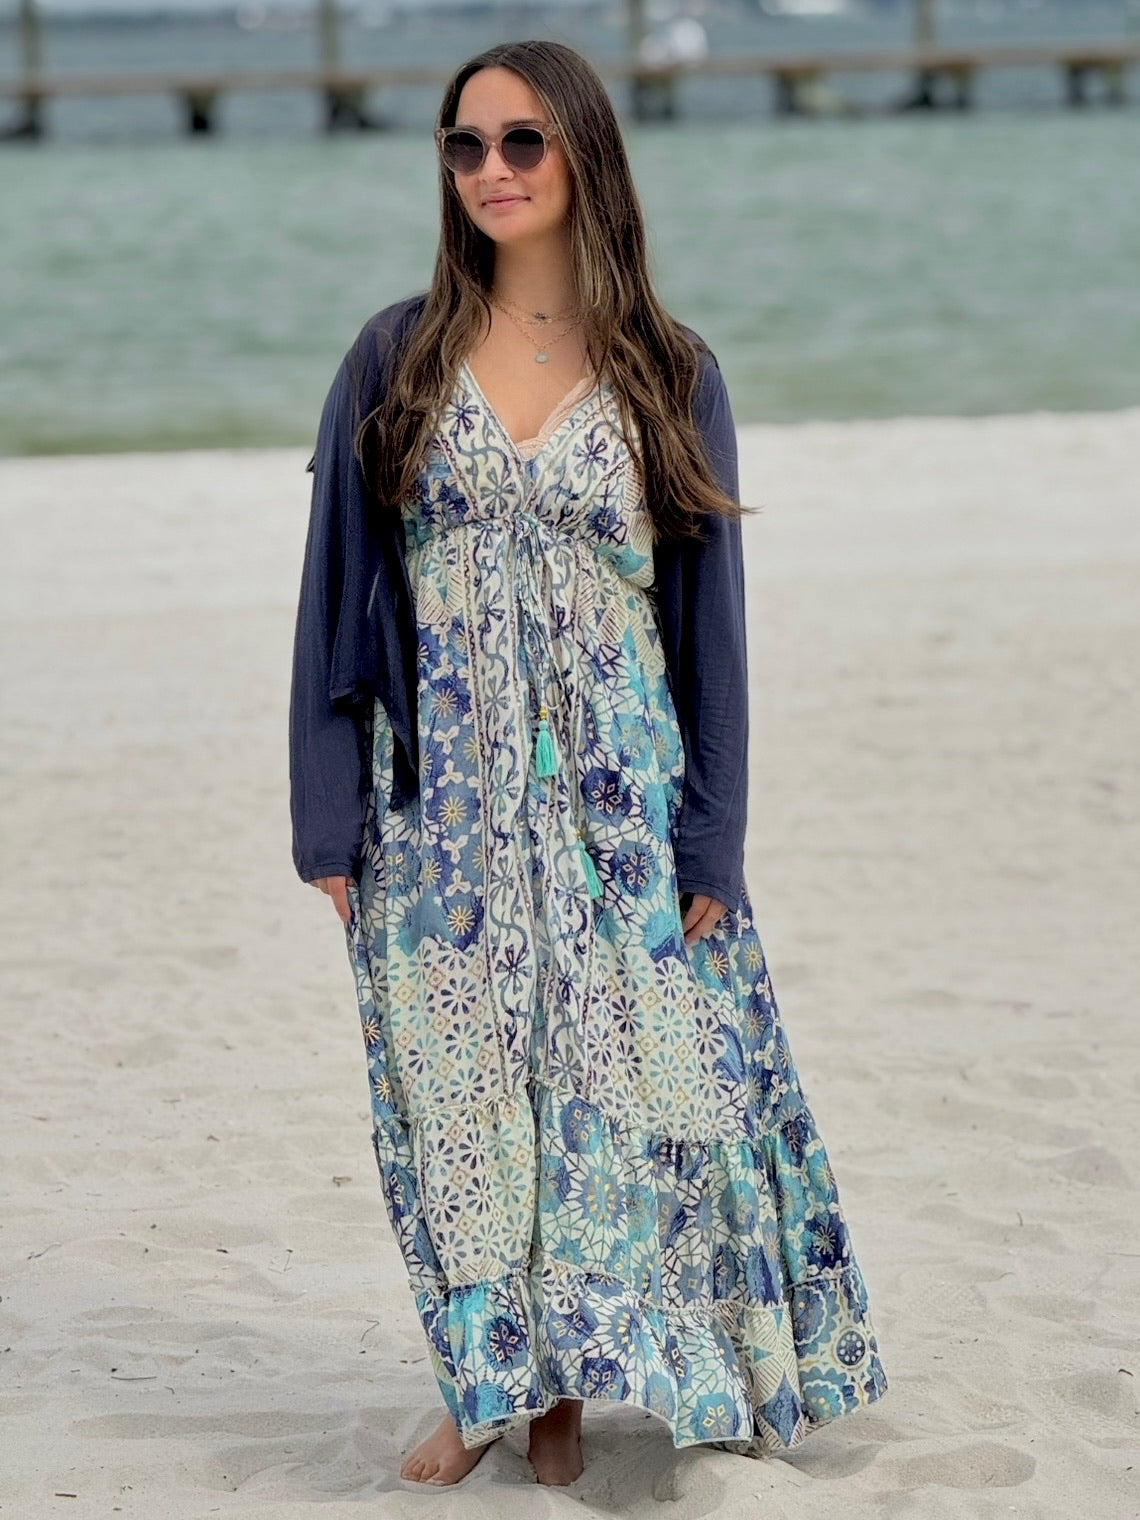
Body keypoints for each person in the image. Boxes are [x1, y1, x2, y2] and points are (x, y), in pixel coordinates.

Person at [289, 37, 887, 1490]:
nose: (489, 170)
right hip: (438, 814)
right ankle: (488, 1388)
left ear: (585, 160)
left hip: (622, 808)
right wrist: (325, 825)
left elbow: (712, 633)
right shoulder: (396, 356)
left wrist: (712, 841)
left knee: (637, 1090)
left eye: (521, 143)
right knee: (464, 1100)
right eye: (464, 147)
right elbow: (332, 597)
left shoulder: (672, 373)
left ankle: (585, 1387)